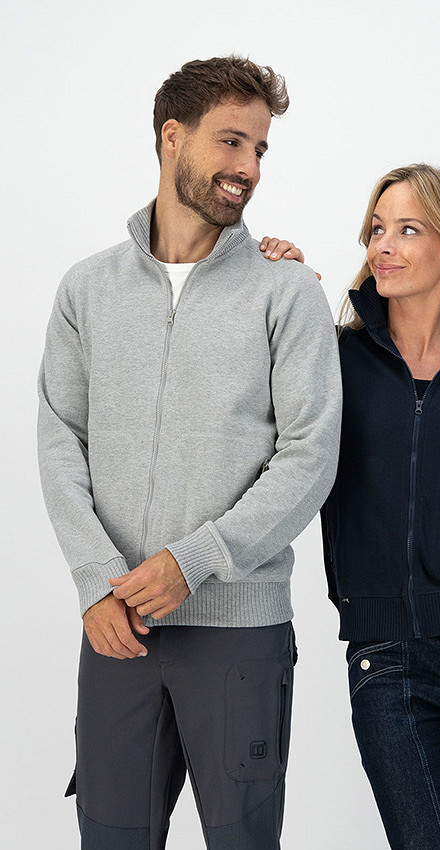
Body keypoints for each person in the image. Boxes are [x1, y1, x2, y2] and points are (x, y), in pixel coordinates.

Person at [37, 56, 342, 850]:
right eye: (231, 142)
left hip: (239, 633)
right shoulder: (87, 290)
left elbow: (310, 456)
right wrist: (95, 581)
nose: (249, 168)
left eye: (260, 149)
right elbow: (60, 439)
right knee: (110, 836)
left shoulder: (286, 290)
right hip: (118, 628)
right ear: (173, 137)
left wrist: (196, 559)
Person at [262, 163, 440, 849]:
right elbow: (264, 416)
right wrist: (282, 290)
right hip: (390, 660)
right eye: (376, 228)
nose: (382, 246)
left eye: (408, 230)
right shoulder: (337, 358)